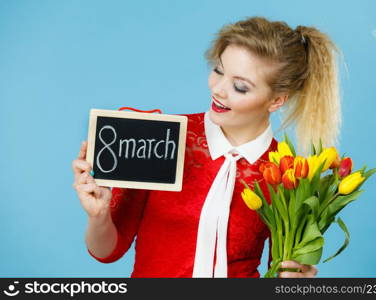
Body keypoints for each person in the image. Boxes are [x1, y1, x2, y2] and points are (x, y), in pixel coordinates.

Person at [72, 16, 341, 278]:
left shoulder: (287, 174)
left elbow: (280, 274)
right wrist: (98, 215)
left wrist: (296, 281)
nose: (218, 89)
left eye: (239, 86)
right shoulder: (163, 138)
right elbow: (106, 252)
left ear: (276, 101)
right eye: (218, 71)